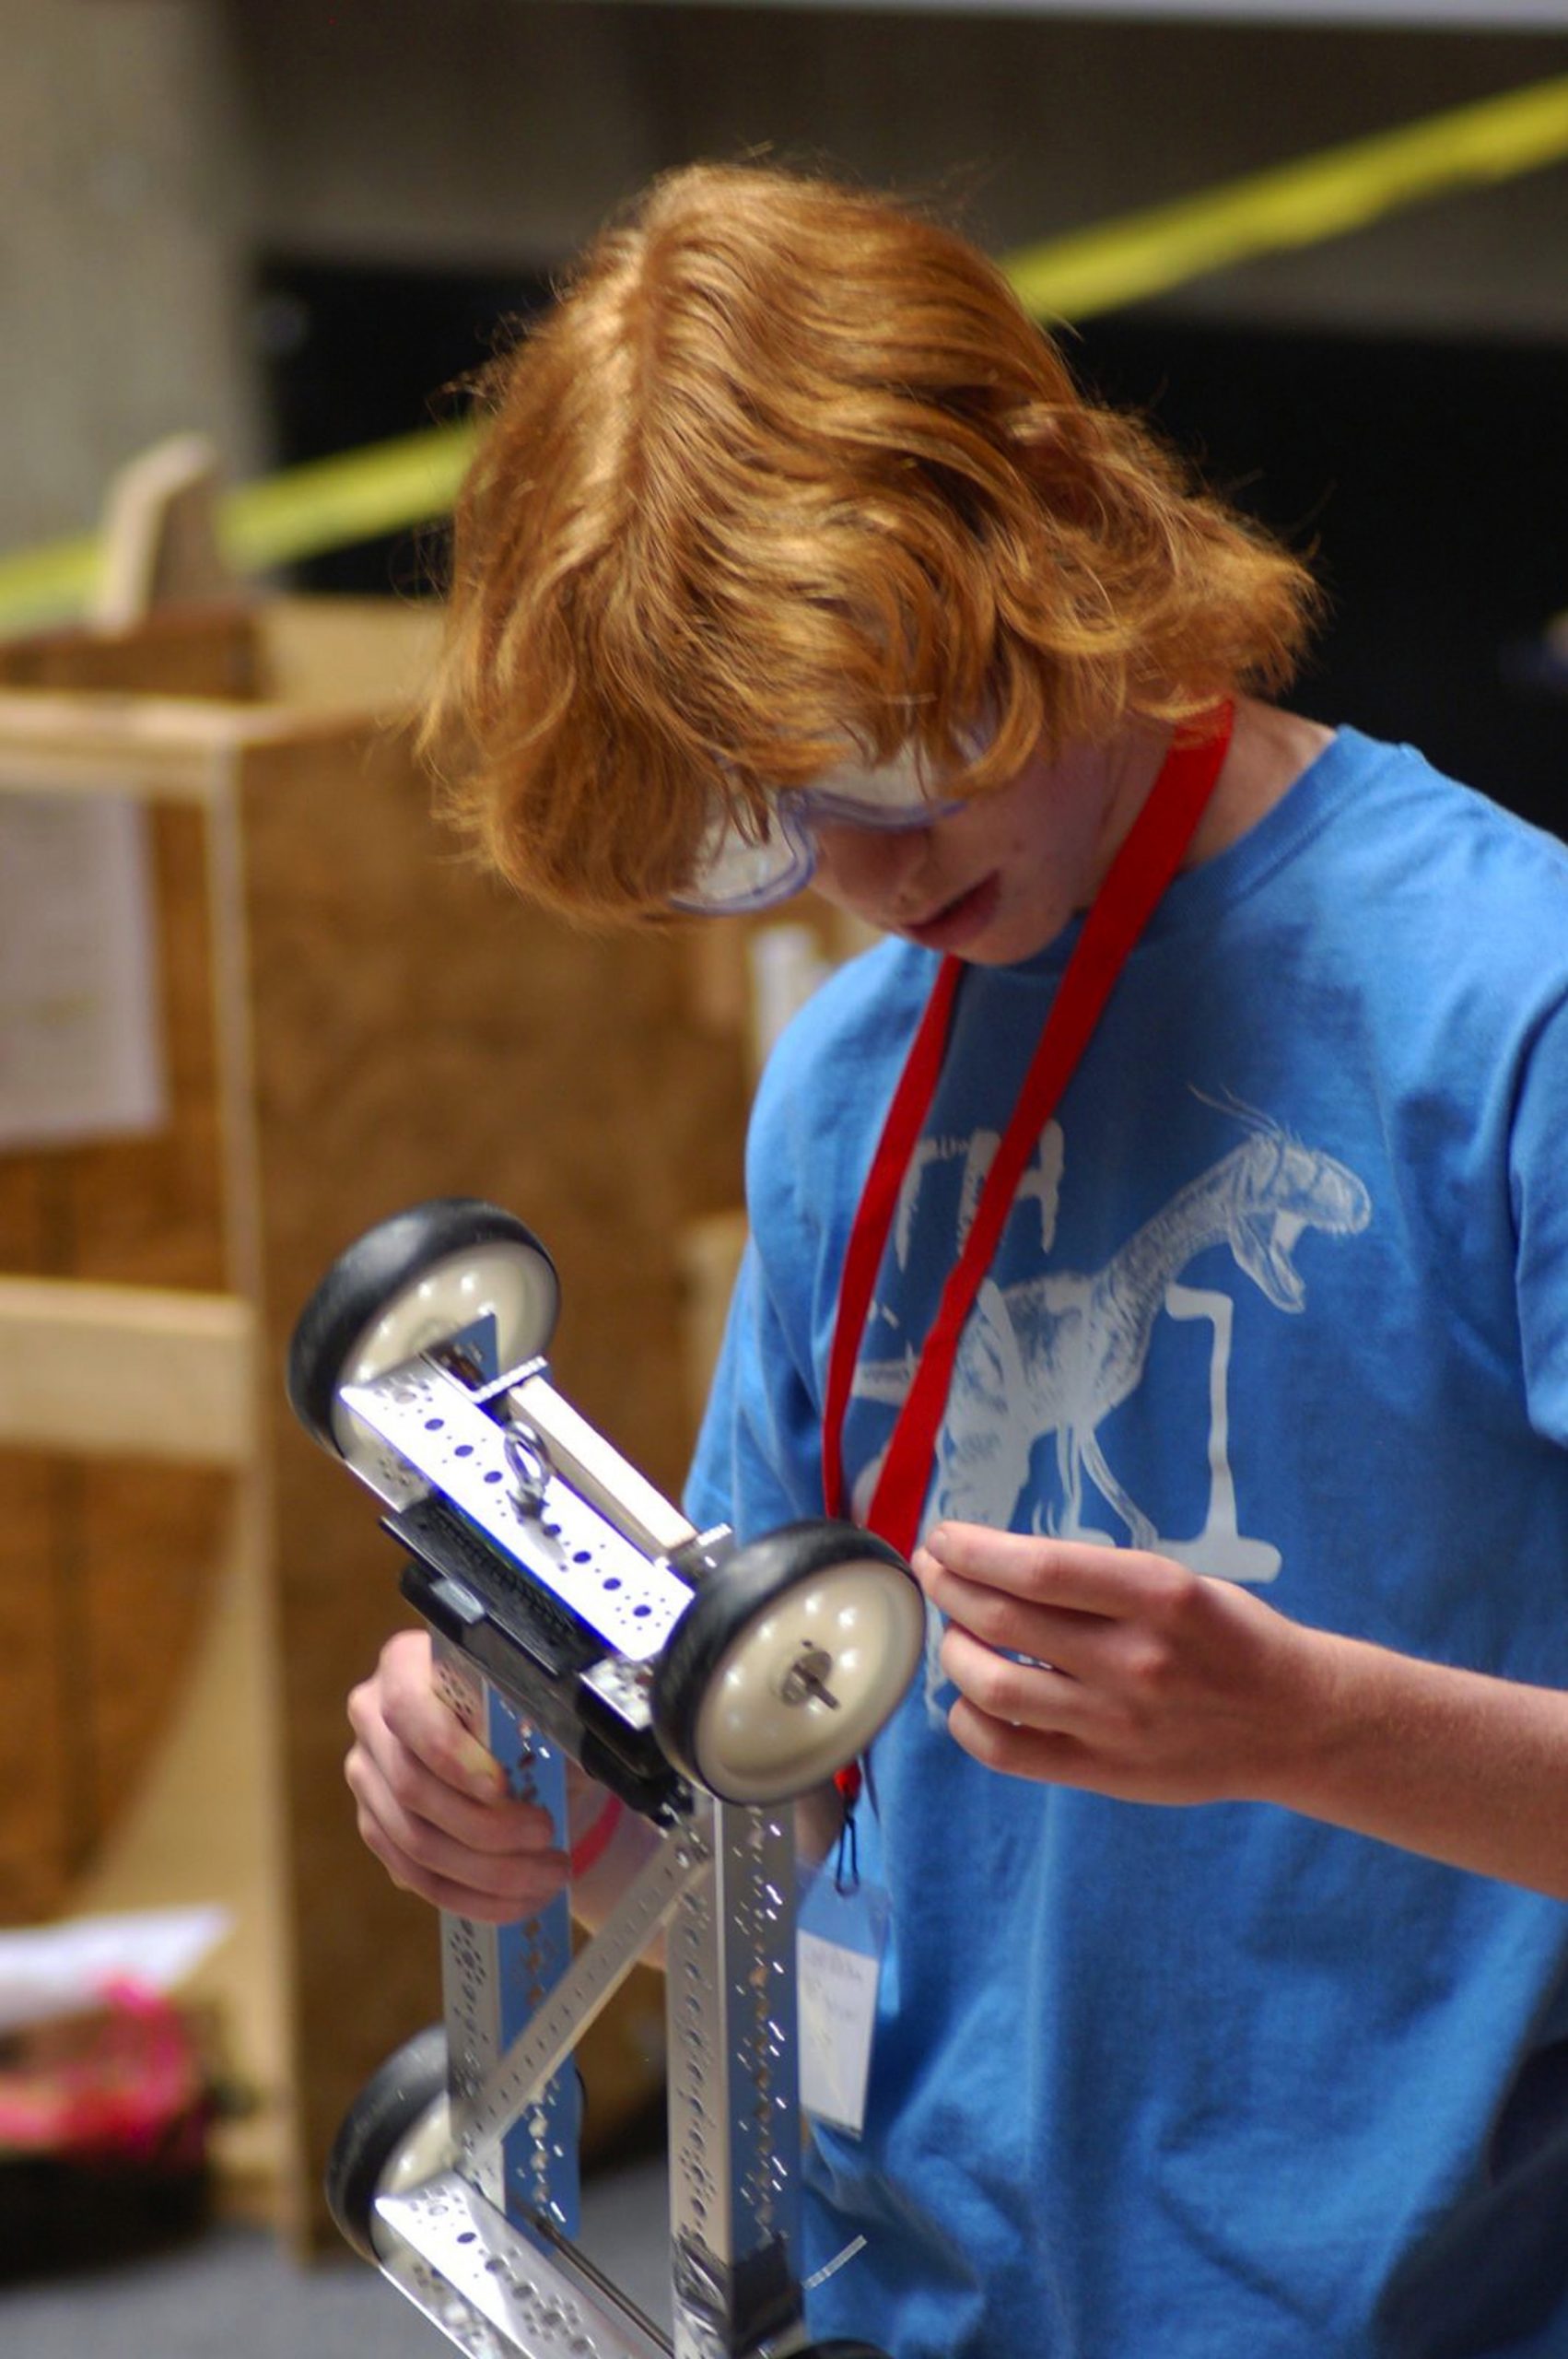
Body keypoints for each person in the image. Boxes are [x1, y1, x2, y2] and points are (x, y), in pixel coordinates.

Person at [343, 161, 1568, 2358]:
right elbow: (771, 1806)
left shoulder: (1501, 1010)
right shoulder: (847, 1083)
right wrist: (522, 1780)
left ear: (1056, 519)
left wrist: (1304, 1723)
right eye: (762, 823)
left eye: (897, 759)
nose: (862, 876)